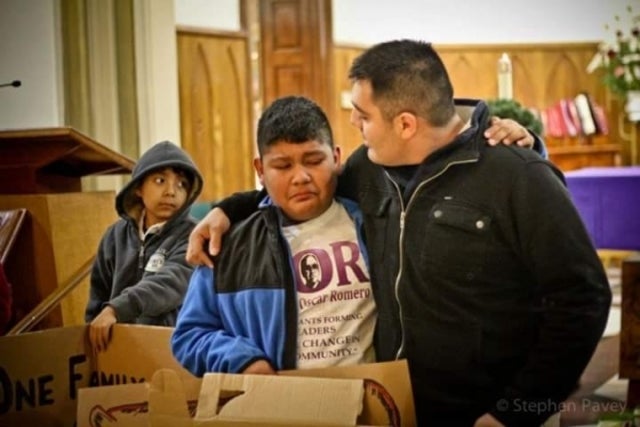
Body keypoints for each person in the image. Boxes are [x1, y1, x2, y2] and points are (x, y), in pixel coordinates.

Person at [186, 40, 612, 427]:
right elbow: (302, 186)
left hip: (491, 413)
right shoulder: (367, 168)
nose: (353, 121)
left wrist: (516, 411)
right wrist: (228, 209)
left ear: (405, 124)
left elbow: (582, 297)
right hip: (399, 409)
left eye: (363, 114)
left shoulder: (519, 176)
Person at [171, 96, 376, 376]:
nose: (300, 177)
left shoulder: (374, 226)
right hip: (275, 406)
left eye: (314, 160)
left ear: (336, 158)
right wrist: (243, 360)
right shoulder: (228, 245)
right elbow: (189, 335)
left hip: (371, 403)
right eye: (282, 166)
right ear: (260, 170)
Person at [85, 140, 203, 353]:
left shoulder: (194, 235)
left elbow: (170, 282)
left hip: (171, 350)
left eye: (181, 184)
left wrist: (116, 309)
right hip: (116, 348)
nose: (171, 192)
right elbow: (97, 298)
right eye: (160, 181)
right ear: (138, 187)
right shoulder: (114, 236)